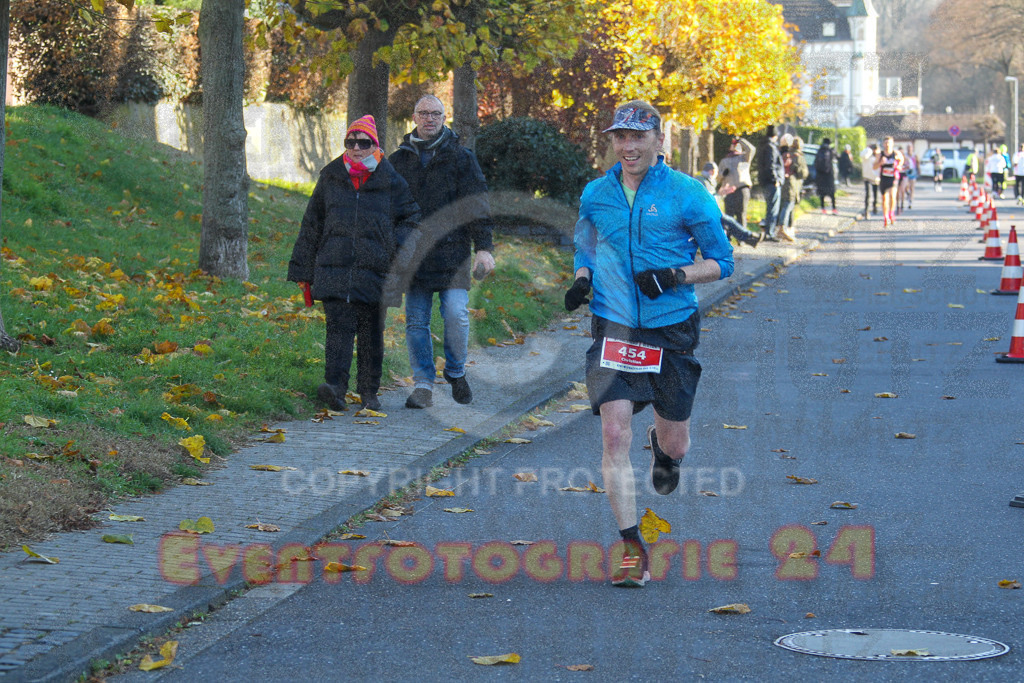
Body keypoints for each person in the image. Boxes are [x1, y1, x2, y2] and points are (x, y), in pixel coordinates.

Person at [565, 100, 734, 588]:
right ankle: (631, 549)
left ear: (660, 140)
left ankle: (664, 451)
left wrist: (674, 275)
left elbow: (722, 261)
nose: (629, 146)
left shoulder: (688, 194)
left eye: (638, 137)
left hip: (671, 326)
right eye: (620, 137)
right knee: (614, 433)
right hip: (614, 325)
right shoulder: (596, 194)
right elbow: (587, 245)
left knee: (677, 438)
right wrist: (581, 278)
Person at [288, 115, 421, 412]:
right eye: (351, 142)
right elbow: (312, 224)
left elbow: (411, 220)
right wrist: (303, 270)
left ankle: (369, 392)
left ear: (375, 145)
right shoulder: (331, 176)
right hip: (334, 268)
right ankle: (335, 389)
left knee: (371, 333)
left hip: (376, 271)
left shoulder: (390, 179)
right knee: (337, 331)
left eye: (364, 143)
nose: (357, 148)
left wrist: (393, 248)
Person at [389, 95, 496, 409]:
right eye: (423, 113)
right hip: (414, 257)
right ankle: (423, 383)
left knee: (456, 315)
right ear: (414, 117)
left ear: (444, 117)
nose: (429, 119)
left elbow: (477, 204)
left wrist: (484, 248)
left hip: (453, 253)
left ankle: (455, 370)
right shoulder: (399, 161)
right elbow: (387, 209)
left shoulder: (462, 158)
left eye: (436, 113)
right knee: (416, 323)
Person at [695, 161, 762, 247]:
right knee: (729, 221)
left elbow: (711, 197)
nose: (718, 174)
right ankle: (749, 237)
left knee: (728, 222)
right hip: (703, 213)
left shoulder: (707, 180)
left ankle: (749, 239)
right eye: (716, 172)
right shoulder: (702, 181)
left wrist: (721, 193)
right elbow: (706, 199)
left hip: (708, 211)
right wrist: (720, 193)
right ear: (712, 171)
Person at [717, 136, 756, 228]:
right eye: (734, 145)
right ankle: (729, 236)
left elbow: (752, 149)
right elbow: (718, 178)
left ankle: (742, 238)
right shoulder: (724, 161)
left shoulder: (744, 158)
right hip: (729, 190)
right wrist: (723, 174)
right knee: (729, 214)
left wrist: (741, 140)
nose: (735, 147)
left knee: (741, 213)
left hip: (742, 188)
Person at [756, 125, 784, 239]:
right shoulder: (770, 148)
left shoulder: (763, 146)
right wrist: (775, 179)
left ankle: (769, 231)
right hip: (771, 182)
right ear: (775, 136)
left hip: (765, 181)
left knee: (770, 207)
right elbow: (771, 165)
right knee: (773, 209)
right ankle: (770, 233)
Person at [779, 136, 808, 240]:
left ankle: (788, 229)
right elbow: (802, 173)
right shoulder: (798, 156)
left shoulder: (785, 154)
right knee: (789, 205)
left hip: (784, 182)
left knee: (787, 206)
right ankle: (783, 228)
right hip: (793, 183)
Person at [874, 136, 904, 227]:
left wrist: (899, 166)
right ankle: (885, 216)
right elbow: (874, 167)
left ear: (892, 144)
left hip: (893, 178)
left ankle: (891, 213)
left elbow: (902, 160)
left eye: (889, 143)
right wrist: (880, 163)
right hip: (883, 178)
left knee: (892, 196)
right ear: (883, 144)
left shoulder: (896, 153)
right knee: (884, 199)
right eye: (886, 143)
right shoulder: (880, 154)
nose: (887, 145)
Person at [814, 137, 837, 215]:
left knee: (822, 193)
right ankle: (834, 209)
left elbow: (815, 163)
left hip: (820, 176)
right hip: (829, 175)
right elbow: (837, 157)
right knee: (832, 193)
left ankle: (823, 209)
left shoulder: (819, 151)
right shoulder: (830, 151)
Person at [861, 144, 880, 217]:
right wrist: (869, 150)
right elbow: (863, 155)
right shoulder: (867, 155)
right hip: (867, 177)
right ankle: (866, 210)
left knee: (875, 194)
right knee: (868, 194)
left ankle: (875, 207)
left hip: (875, 178)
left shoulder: (878, 157)